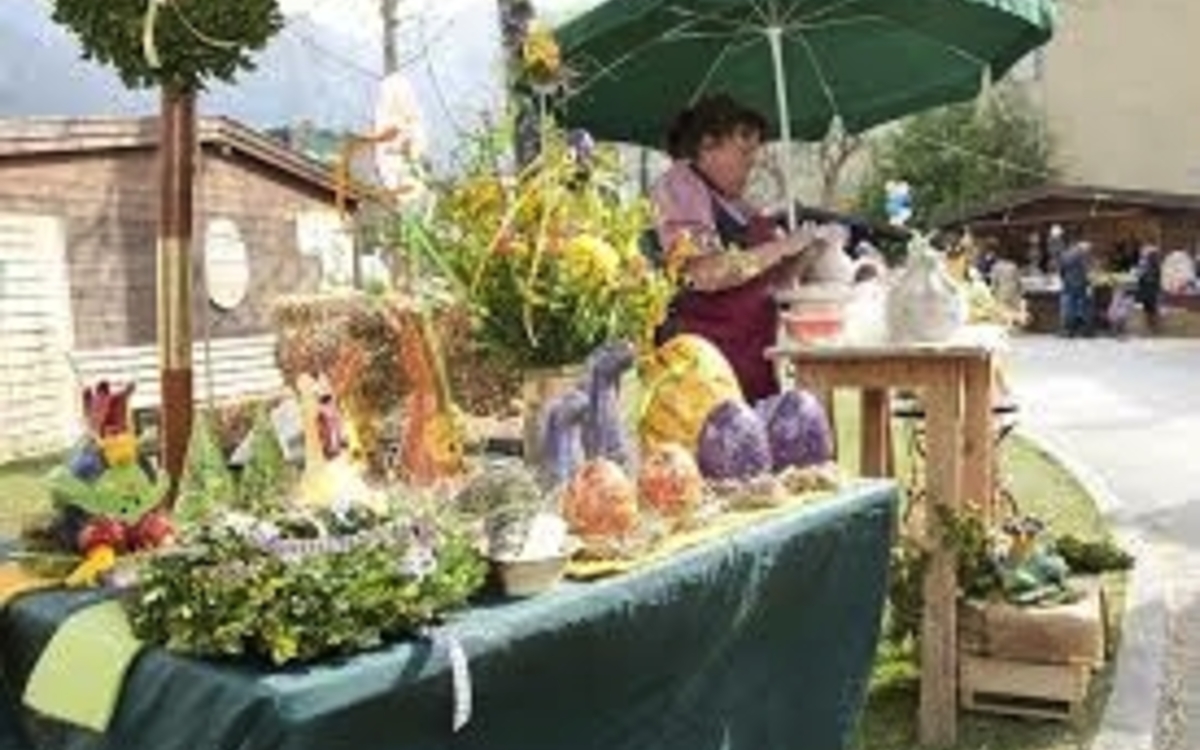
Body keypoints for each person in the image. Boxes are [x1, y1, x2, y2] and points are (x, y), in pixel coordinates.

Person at [650, 94, 843, 402]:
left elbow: (772, 285)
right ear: (708, 145)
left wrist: (805, 254)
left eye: (754, 153)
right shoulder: (680, 185)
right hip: (703, 370)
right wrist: (780, 248)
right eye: (743, 151)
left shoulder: (741, 206)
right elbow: (704, 272)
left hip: (752, 364)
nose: (751, 162)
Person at [1135, 244, 1163, 333]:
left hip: (1150, 289)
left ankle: (1153, 327)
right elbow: (1140, 275)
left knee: (1151, 309)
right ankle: (1151, 327)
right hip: (1148, 289)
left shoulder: (1152, 264)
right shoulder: (1145, 263)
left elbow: (1156, 276)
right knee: (1149, 309)